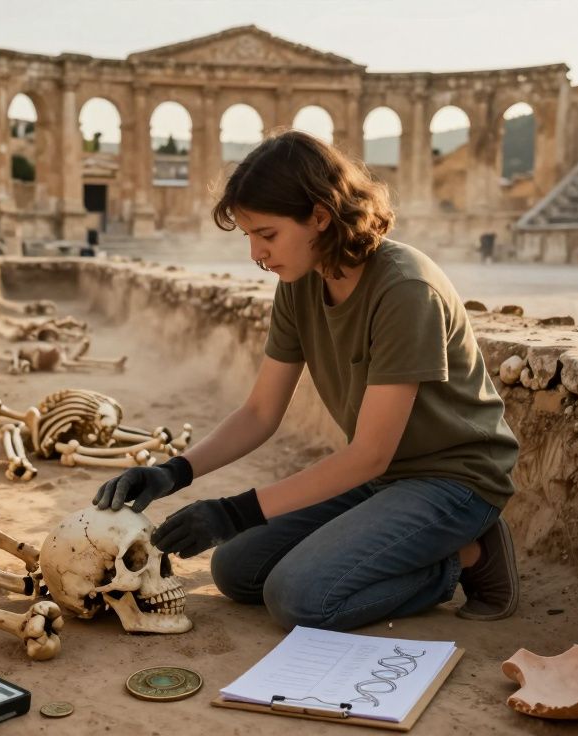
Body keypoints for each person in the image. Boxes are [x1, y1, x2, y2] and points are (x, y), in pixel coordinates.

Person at [92, 130, 521, 631]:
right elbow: (260, 412)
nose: (255, 253)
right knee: (236, 570)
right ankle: (413, 544)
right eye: (248, 235)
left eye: (267, 235)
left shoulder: (406, 289)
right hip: (385, 481)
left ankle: (469, 556)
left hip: (456, 482)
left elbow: (368, 454)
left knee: (299, 598)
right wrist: (174, 473)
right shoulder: (301, 282)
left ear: (320, 216)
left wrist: (232, 512)